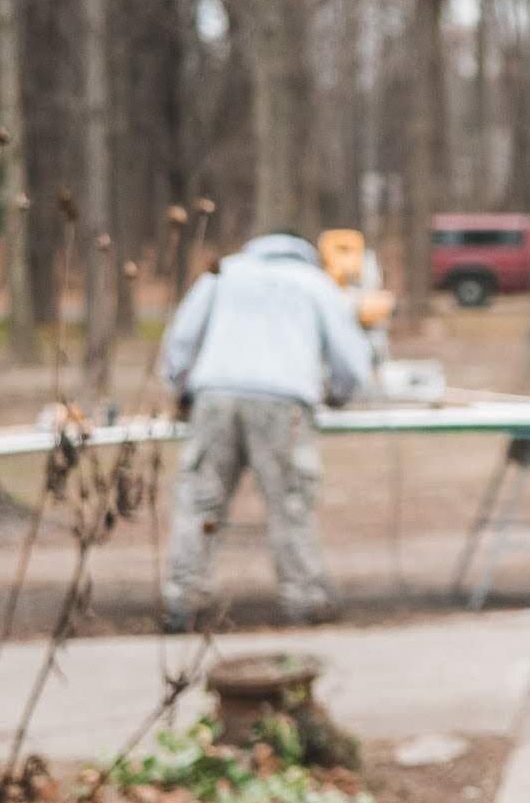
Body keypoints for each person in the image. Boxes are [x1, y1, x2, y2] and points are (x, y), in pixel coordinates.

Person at [158, 231, 373, 634]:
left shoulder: (224, 273)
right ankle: (305, 598)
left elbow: (182, 338)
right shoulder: (315, 283)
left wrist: (180, 386)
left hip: (214, 395)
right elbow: (350, 359)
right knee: (290, 502)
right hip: (283, 402)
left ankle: (181, 599)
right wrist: (340, 394)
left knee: (200, 500)